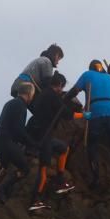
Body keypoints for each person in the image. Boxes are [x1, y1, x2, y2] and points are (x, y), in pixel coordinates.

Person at [24, 72, 81, 210]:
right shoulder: (53, 97)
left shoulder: (42, 95)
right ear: (60, 85)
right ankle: (35, 200)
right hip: (44, 136)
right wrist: (83, 115)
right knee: (43, 168)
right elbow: (67, 114)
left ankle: (60, 180)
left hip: (37, 134)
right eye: (62, 87)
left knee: (63, 148)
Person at [65, 60, 110, 187]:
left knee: (92, 144)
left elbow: (75, 90)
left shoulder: (87, 75)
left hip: (96, 111)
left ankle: (96, 177)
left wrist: (64, 100)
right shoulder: (109, 78)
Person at [0, 83, 40, 204]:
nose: (32, 98)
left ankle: (4, 196)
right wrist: (32, 144)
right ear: (29, 94)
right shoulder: (21, 106)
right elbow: (18, 131)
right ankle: (0, 190)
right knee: (24, 169)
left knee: (11, 168)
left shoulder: (10, 103)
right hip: (5, 142)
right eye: (32, 95)